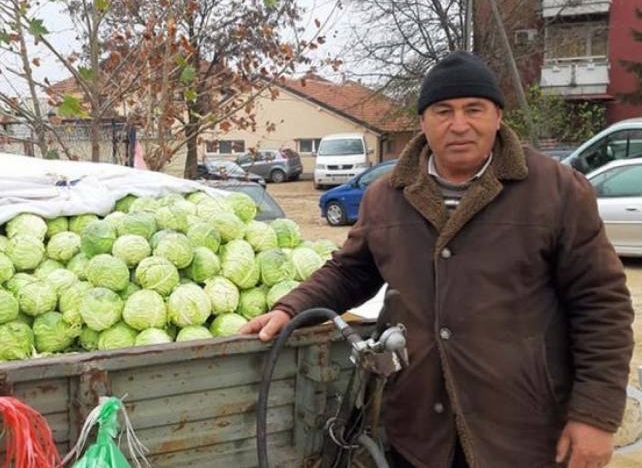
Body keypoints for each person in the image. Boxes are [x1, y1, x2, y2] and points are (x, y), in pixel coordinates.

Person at [240, 51, 634, 468]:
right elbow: (352, 270)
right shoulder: (387, 196)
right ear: (423, 122)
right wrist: (292, 308)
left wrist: (594, 416)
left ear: (498, 116)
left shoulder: (555, 191)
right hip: (421, 429)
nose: (459, 124)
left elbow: (602, 305)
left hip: (521, 429)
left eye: (474, 109)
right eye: (443, 111)